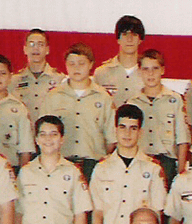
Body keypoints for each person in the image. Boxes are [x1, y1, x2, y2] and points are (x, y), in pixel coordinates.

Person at [90, 104, 168, 224]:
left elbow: (157, 214)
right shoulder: (102, 169)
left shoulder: (153, 169)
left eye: (133, 128)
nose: (127, 133)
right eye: (122, 127)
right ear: (115, 130)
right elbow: (97, 214)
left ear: (140, 132)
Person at [39, 42, 116, 181]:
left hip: (93, 165)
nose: (76, 68)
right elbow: (42, 133)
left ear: (91, 64)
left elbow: (111, 139)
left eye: (81, 63)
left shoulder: (103, 97)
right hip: (60, 163)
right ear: (66, 65)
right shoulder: (53, 97)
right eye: (72, 63)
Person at [129, 49, 190, 186]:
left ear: (162, 70)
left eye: (155, 68)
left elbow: (182, 138)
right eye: (145, 69)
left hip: (166, 163)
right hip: (139, 161)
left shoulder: (174, 100)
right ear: (139, 71)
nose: (150, 74)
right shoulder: (133, 103)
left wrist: (180, 171)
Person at [12, 28, 65, 127]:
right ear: (25, 49)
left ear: (47, 49)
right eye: (32, 44)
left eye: (40, 44)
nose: (36, 48)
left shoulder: (60, 80)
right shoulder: (14, 81)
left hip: (49, 138)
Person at [94, 14, 146, 108]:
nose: (129, 39)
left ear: (140, 40)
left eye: (134, 35)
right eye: (125, 34)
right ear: (118, 39)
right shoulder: (101, 73)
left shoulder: (148, 73)